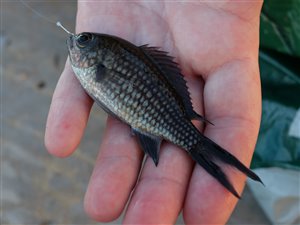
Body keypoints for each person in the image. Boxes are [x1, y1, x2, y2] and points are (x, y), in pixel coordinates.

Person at [45, 1, 263, 224]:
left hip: (162, 114)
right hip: (162, 114)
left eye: (85, 41)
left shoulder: (98, 66)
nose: (78, 40)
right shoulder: (97, 65)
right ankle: (213, 160)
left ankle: (207, 155)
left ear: (98, 56)